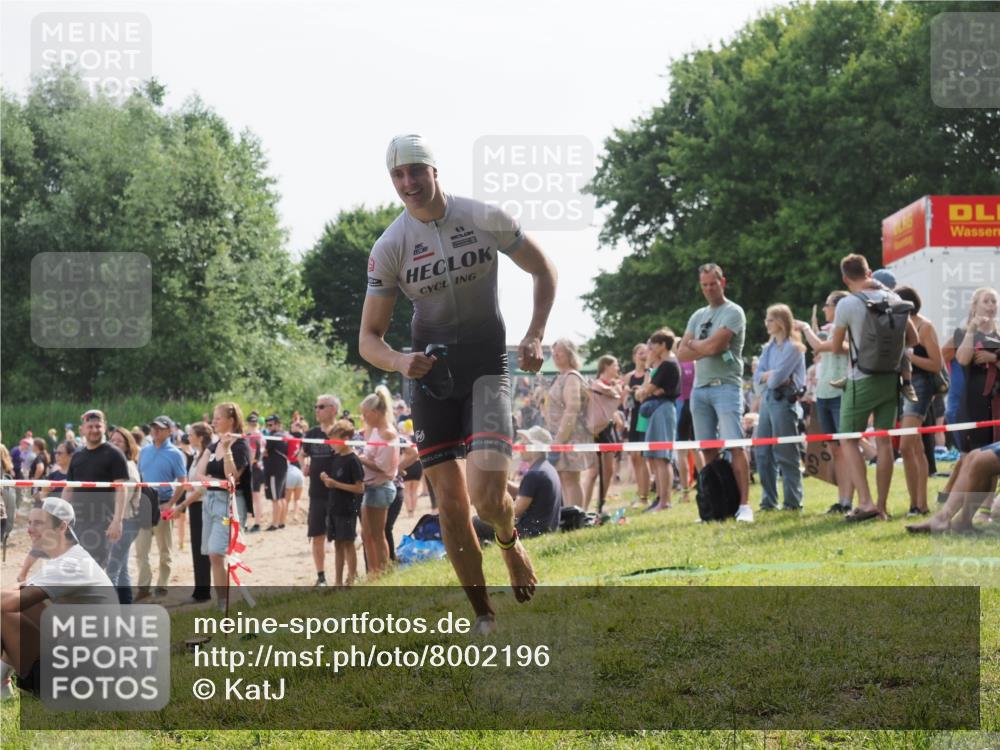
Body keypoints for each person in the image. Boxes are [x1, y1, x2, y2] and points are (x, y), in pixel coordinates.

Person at [359, 134, 556, 632]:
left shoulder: (482, 216)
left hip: (488, 370)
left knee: (488, 499)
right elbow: (369, 338)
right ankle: (484, 614)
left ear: (434, 170)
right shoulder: (390, 246)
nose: (408, 183)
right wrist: (401, 362)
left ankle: (509, 543)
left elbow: (543, 269)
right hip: (430, 379)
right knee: (450, 505)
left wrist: (534, 334)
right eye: (398, 176)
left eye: (415, 172)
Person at [829, 254, 917, 521]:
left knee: (848, 438)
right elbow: (912, 338)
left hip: (860, 379)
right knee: (884, 441)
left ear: (846, 278)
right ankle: (882, 506)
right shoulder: (894, 298)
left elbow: (835, 348)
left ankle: (865, 501)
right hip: (891, 379)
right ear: (869, 272)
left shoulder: (846, 304)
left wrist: (858, 347)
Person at [1, 498, 117, 699]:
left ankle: (3, 683)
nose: (30, 529)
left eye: (38, 523)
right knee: (29, 606)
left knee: (6, 610)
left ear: (62, 526)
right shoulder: (70, 558)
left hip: (77, 682)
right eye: (29, 523)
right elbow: (21, 587)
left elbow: (9, 603)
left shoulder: (69, 565)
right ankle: (2, 684)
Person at [677, 263, 753, 522]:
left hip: (726, 386)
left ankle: (744, 506)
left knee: (735, 446)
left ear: (723, 282)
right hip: (700, 390)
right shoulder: (697, 315)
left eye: (713, 283)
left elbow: (714, 346)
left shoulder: (734, 312)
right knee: (707, 449)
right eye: (704, 285)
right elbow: (681, 353)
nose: (709, 289)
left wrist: (696, 345)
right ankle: (716, 505)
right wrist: (704, 346)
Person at [795, 290, 855, 513]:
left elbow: (820, 347)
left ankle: (850, 500)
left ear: (839, 308)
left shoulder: (848, 331)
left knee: (847, 450)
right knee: (835, 450)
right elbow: (819, 346)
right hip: (824, 396)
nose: (824, 308)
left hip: (841, 395)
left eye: (827, 304)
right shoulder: (831, 331)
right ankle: (842, 500)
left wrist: (805, 328)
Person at [892, 286, 944, 517]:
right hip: (903, 384)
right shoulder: (900, 327)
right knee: (914, 447)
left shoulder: (925, 327)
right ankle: (918, 504)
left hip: (921, 385)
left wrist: (911, 356)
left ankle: (918, 504)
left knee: (906, 445)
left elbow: (937, 364)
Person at [753, 304, 807, 511]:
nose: (766, 324)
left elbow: (775, 380)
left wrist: (769, 375)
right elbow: (759, 377)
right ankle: (768, 501)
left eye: (769, 319)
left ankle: (793, 502)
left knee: (786, 452)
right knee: (763, 452)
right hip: (768, 400)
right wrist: (769, 375)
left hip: (784, 401)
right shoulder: (768, 349)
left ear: (781, 322)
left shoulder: (794, 349)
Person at [199, 402, 252, 606]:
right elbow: (199, 475)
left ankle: (224, 603)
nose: (214, 421)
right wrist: (212, 481)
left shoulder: (240, 446)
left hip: (229, 503)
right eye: (213, 417)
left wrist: (228, 450)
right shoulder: (211, 447)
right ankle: (222, 600)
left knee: (216, 552)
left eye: (218, 418)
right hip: (209, 501)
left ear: (231, 420)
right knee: (213, 556)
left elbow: (233, 478)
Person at [62, 410, 126, 567]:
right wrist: (60, 515)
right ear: (82, 429)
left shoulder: (114, 454)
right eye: (90, 426)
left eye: (98, 426)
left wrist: (117, 521)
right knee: (75, 566)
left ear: (104, 428)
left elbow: (121, 489)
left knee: (94, 567)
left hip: (102, 522)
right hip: (78, 521)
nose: (94, 430)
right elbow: (69, 489)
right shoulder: (77, 456)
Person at [135, 415, 187, 598]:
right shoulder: (144, 451)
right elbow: (139, 478)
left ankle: (162, 585)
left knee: (164, 549)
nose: (155, 430)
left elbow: (183, 481)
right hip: (144, 504)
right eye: (153, 427)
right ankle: (143, 587)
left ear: (169, 430)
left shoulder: (175, 453)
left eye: (160, 428)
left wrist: (171, 503)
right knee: (141, 549)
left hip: (162, 504)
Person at [357, 386, 400, 579]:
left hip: (380, 487)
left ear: (375, 412)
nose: (364, 418)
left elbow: (382, 466)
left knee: (377, 534)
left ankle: (383, 572)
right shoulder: (376, 431)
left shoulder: (387, 434)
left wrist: (358, 458)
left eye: (365, 414)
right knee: (368, 535)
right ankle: (375, 573)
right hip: (372, 487)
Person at [637, 330, 682, 511]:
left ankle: (665, 501)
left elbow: (648, 389)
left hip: (663, 410)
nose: (651, 348)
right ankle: (660, 498)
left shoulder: (669, 365)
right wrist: (648, 390)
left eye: (654, 344)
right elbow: (648, 390)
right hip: (658, 410)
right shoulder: (664, 365)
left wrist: (647, 390)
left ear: (663, 344)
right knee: (655, 457)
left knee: (662, 457)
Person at [545, 338, 592, 509]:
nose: (555, 355)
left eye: (560, 352)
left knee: (570, 477)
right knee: (564, 477)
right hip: (561, 435)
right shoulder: (561, 376)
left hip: (569, 435)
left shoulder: (572, 376)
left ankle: (576, 517)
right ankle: (568, 514)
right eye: (553, 352)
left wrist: (559, 440)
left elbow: (572, 408)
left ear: (570, 354)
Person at [302, 393, 343, 586]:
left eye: (321, 406)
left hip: (340, 492)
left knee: (342, 537)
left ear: (333, 409)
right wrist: (304, 465)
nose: (317, 410)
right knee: (317, 535)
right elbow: (301, 454)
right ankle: (321, 577)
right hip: (317, 493)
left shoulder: (342, 432)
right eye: (316, 407)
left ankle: (341, 577)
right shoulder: (312, 434)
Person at [318, 420, 365, 587]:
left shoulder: (353, 460)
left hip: (347, 508)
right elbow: (335, 481)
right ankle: (338, 582)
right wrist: (326, 479)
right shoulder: (337, 458)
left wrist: (336, 484)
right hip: (335, 507)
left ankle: (351, 579)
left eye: (335, 440)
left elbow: (360, 488)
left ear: (345, 439)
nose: (332, 445)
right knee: (338, 544)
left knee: (348, 543)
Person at [171, 422, 214, 603]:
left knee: (202, 549)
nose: (188, 436)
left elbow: (204, 487)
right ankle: (200, 589)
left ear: (201, 437)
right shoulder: (197, 455)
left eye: (192, 434)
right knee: (197, 548)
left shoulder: (208, 455)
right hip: (196, 504)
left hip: (202, 505)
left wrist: (183, 504)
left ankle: (203, 591)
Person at [104, 427, 144, 604]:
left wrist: (114, 521)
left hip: (124, 522)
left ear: (128, 446)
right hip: (119, 522)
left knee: (111, 571)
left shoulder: (128, 466)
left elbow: (124, 498)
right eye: (112, 440)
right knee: (121, 571)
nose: (115, 444)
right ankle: (126, 613)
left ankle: (109, 618)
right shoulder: (114, 467)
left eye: (119, 441)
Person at [583, 354, 625, 510]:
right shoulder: (597, 384)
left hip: (608, 428)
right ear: (606, 366)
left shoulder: (612, 385)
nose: (618, 368)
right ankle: (584, 507)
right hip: (596, 430)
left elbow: (609, 406)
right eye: (615, 365)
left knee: (608, 470)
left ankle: (600, 505)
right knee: (594, 472)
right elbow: (604, 391)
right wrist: (617, 389)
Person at [624, 343, 651, 505]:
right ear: (634, 356)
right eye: (640, 352)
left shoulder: (649, 373)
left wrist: (636, 389)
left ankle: (644, 497)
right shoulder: (628, 376)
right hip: (632, 418)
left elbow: (644, 392)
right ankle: (640, 492)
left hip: (644, 417)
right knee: (634, 457)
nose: (643, 355)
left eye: (645, 353)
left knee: (642, 457)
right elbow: (624, 400)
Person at [262, 414, 289, 531]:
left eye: (271, 424)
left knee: (275, 498)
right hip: (282, 469)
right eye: (267, 424)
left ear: (278, 424)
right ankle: (282, 522)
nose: (268, 426)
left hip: (273, 470)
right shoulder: (285, 435)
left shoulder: (272, 437)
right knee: (281, 497)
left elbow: (264, 452)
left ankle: (275, 523)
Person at [245, 412, 266, 533]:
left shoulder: (252, 436)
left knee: (254, 497)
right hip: (260, 467)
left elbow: (253, 455)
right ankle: (256, 522)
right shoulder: (261, 435)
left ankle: (256, 523)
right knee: (256, 497)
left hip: (254, 467)